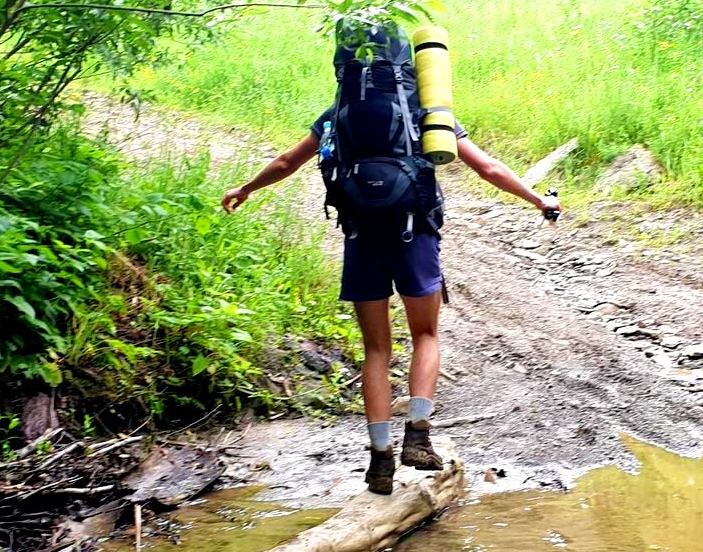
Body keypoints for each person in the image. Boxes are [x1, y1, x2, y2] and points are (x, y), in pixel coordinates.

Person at [221, 87, 559, 495]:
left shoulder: (339, 113)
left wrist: (246, 189)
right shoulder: (427, 113)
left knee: (376, 350)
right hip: (413, 235)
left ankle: (380, 461)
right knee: (426, 335)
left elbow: (286, 161)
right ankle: (417, 436)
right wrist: (538, 200)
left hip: (361, 237)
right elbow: (487, 168)